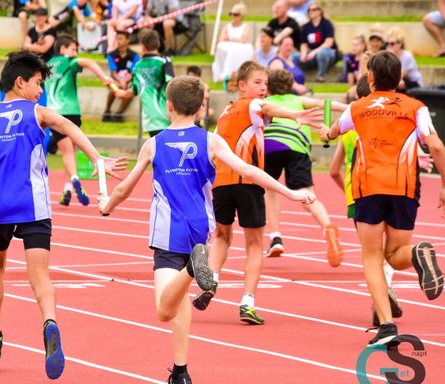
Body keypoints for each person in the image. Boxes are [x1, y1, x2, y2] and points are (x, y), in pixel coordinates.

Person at [0, 50, 127, 377]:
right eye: (38, 83)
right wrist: (97, 158)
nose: (41, 90)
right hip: (34, 205)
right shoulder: (38, 112)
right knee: (40, 274)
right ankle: (49, 321)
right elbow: (67, 126)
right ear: (20, 82)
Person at [98, 75, 315, 383]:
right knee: (180, 300)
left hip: (167, 233)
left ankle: (191, 269)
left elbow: (126, 190)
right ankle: (181, 370)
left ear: (168, 106)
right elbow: (248, 169)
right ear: (201, 107)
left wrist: (106, 204)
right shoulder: (210, 140)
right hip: (199, 229)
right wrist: (291, 193)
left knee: (163, 309)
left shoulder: (154, 143)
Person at [320, 51, 445, 346]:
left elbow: (331, 133)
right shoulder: (415, 107)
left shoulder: (356, 108)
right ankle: (418, 251)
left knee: (372, 258)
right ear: (400, 78)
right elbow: (437, 146)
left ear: (369, 78)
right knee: (396, 255)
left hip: (367, 188)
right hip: (404, 188)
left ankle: (386, 326)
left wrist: (325, 131)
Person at [191, 61, 322, 324]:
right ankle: (247, 301)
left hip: (222, 184)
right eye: (257, 83)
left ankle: (212, 280)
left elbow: (212, 148)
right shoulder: (251, 105)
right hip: (248, 183)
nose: (263, 88)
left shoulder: (225, 113)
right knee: (254, 244)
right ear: (242, 86)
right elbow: (267, 107)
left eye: (265, 83)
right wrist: (295, 115)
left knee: (222, 237)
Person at [261, 69, 345, 267]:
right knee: (306, 194)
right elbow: (326, 104)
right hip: (297, 145)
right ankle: (327, 226)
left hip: (271, 144)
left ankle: (275, 237)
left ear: (269, 87)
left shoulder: (266, 102)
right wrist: (350, 107)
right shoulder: (299, 101)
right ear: (291, 87)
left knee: (269, 189)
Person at [44, 35, 115, 206]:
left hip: (54, 114)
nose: (75, 53)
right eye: (73, 49)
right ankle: (70, 185)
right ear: (63, 49)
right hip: (72, 113)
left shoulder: (46, 66)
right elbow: (90, 63)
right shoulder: (69, 61)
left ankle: (69, 185)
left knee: (67, 152)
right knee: (70, 152)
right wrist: (104, 77)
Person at [114, 29, 174, 137]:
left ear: (142, 47)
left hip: (151, 121)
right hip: (168, 117)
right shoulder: (165, 62)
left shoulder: (137, 67)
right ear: (158, 44)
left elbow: (130, 93)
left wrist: (117, 91)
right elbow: (173, 86)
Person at [292, 2, 338, 83]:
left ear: (320, 11)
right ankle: (295, 77)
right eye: (309, 10)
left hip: (328, 53)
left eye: (313, 9)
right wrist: (303, 54)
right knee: (294, 57)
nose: (311, 12)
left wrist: (313, 53)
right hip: (312, 55)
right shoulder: (306, 26)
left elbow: (329, 43)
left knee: (322, 53)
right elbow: (303, 44)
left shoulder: (326, 24)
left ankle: (321, 75)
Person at [102, 30, 139, 123]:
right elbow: (113, 72)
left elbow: (134, 72)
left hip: (129, 80)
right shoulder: (111, 55)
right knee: (115, 87)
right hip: (116, 80)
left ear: (127, 40)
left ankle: (119, 113)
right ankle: (107, 111)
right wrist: (120, 81)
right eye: (117, 39)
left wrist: (126, 81)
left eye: (121, 39)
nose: (118, 41)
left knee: (131, 89)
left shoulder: (135, 56)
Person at [211, 3, 253, 82]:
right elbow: (221, 39)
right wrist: (234, 39)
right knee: (226, 49)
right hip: (228, 48)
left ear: (242, 15)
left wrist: (230, 39)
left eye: (236, 14)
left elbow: (243, 40)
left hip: (240, 49)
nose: (233, 16)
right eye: (231, 14)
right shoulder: (227, 26)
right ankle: (225, 73)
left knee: (235, 51)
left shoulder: (246, 26)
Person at [385, 27, 423, 92]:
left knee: (398, 84)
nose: (389, 46)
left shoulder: (407, 56)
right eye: (387, 43)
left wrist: (391, 57)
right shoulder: (390, 55)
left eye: (392, 43)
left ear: (400, 44)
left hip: (414, 84)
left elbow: (399, 75)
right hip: (403, 81)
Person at [341, 35, 367, 102]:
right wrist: (351, 89)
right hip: (356, 85)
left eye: (356, 45)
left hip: (365, 85)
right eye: (352, 45)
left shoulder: (366, 57)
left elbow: (364, 78)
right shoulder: (350, 59)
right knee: (346, 97)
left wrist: (355, 89)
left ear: (363, 46)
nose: (353, 47)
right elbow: (350, 77)